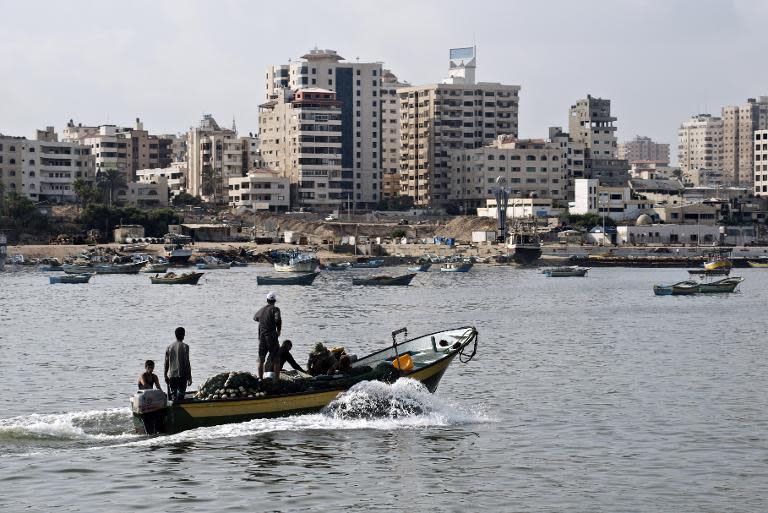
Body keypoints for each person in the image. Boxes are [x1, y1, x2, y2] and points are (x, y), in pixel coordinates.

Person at [253, 291, 282, 381]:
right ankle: (276, 380)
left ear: (267, 300)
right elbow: (277, 319)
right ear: (274, 301)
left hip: (261, 338)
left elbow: (255, 318)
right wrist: (279, 330)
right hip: (271, 337)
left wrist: (264, 320)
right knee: (276, 359)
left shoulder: (261, 310)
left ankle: (260, 379)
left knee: (261, 359)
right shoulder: (275, 309)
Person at [164, 327, 192, 403]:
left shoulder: (169, 347)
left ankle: (173, 412)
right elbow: (186, 363)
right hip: (182, 376)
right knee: (181, 397)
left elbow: (166, 362)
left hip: (172, 376)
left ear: (175, 335)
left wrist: (165, 375)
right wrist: (189, 377)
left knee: (173, 397)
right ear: (183, 335)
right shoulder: (185, 346)